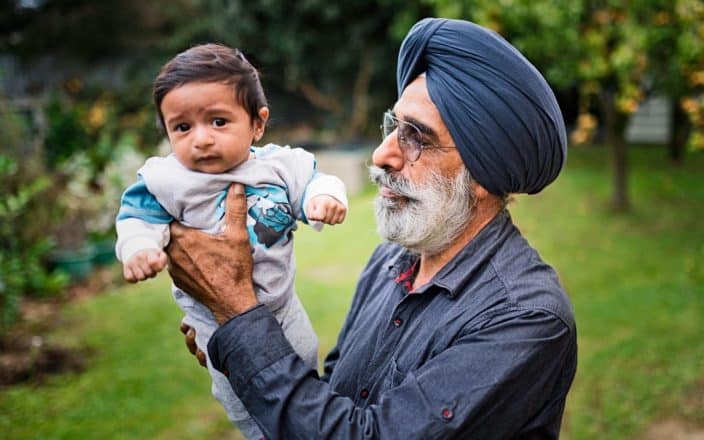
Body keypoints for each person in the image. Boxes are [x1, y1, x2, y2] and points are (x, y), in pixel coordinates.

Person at [170, 18, 577, 439]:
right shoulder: (393, 259)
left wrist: (239, 314)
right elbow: (336, 397)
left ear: (483, 174)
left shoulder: (525, 318)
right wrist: (242, 347)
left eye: (416, 137)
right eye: (394, 127)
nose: (383, 154)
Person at [114, 43, 348, 439]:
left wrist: (322, 199)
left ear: (257, 124)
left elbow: (314, 181)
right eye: (182, 127)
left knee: (305, 377)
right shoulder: (166, 180)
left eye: (218, 121)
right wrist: (138, 248)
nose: (201, 140)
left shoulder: (277, 165)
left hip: (283, 306)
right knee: (246, 404)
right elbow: (136, 217)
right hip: (213, 322)